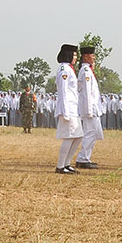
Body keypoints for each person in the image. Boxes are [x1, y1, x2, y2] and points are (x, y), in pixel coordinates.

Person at [73, 45, 104, 169]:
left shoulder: (88, 70)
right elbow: (86, 92)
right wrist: (89, 110)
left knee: (94, 133)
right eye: (92, 55)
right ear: (85, 56)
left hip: (93, 108)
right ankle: (83, 158)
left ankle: (86, 157)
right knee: (90, 133)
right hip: (89, 108)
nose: (94, 57)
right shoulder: (85, 71)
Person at [54, 44, 82, 174]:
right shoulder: (64, 69)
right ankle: (60, 166)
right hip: (67, 108)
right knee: (69, 137)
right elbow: (63, 91)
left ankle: (67, 163)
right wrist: (65, 111)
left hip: (73, 108)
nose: (75, 58)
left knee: (78, 137)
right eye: (74, 55)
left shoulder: (70, 69)